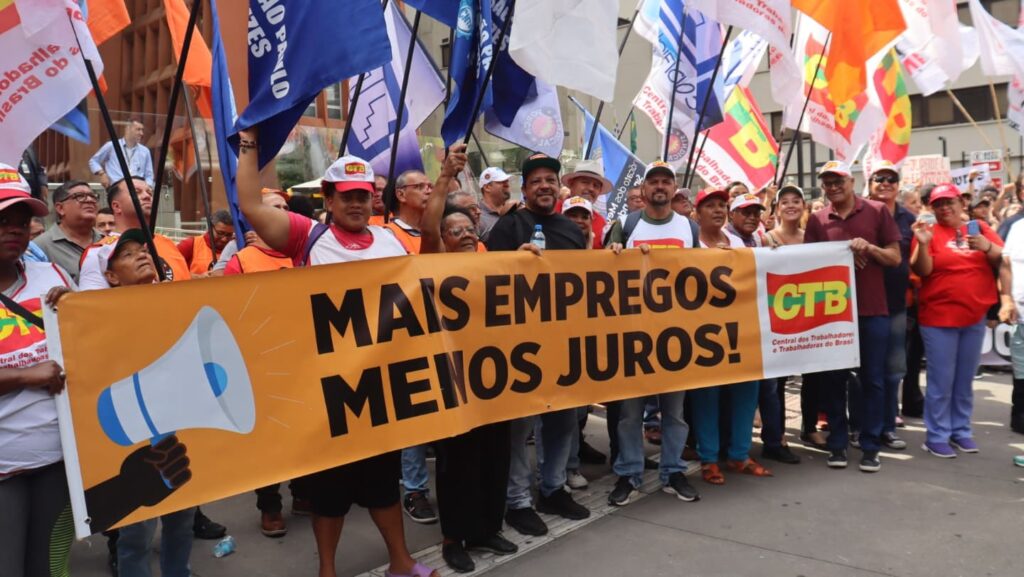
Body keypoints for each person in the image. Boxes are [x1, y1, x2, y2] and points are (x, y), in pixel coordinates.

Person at [235, 127, 437, 577]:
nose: (355, 204)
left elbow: (435, 265)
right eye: (346, 196)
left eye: (363, 196)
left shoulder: (391, 242)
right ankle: (327, 570)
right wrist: (249, 145)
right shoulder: (307, 237)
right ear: (328, 199)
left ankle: (401, 563)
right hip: (327, 394)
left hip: (378, 390)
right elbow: (250, 206)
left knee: (383, 485)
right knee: (330, 493)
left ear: (374, 200)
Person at [417, 145, 519, 573]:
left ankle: (486, 528)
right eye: (453, 230)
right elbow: (428, 228)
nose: (464, 234)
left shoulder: (493, 263)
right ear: (441, 241)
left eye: (468, 228)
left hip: (496, 379)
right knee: (458, 462)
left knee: (496, 456)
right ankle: (453, 537)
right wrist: (443, 180)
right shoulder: (433, 264)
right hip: (452, 381)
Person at [487, 153, 590, 536]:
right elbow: (488, 278)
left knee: (562, 421)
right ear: (525, 189)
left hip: (562, 344)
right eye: (536, 181)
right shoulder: (507, 227)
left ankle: (553, 488)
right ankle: (517, 501)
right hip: (520, 347)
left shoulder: (570, 229)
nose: (545, 185)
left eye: (551, 179)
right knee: (519, 427)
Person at [96, 229, 198, 577]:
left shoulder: (175, 301)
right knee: (137, 532)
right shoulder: (96, 317)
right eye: (127, 255)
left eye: (143, 250)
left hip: (178, 429)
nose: (141, 255)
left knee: (182, 522)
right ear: (110, 276)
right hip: (134, 439)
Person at [604, 161, 701, 506]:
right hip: (634, 337)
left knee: (674, 413)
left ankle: (672, 470)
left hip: (676, 336)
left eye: (666, 181)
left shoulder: (690, 228)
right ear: (643, 189)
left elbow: (704, 277)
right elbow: (601, 274)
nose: (660, 186)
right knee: (630, 414)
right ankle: (628, 473)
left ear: (674, 188)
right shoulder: (625, 225)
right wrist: (611, 255)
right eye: (653, 181)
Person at [0, 165, 74, 577]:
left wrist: (79, 316)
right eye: (2, 220)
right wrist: (28, 377)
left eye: (22, 220)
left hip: (57, 460)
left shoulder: (50, 278)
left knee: (49, 568)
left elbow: (91, 352)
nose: (15, 229)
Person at [803, 161, 901, 473]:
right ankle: (837, 444)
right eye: (827, 183)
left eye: (838, 181)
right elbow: (806, 266)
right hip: (834, 317)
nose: (833, 187)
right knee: (834, 382)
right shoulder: (818, 219)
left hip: (873, 312)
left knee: (872, 380)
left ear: (851, 181)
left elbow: (895, 257)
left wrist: (869, 248)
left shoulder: (876, 211)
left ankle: (870, 445)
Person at [912, 183, 1003, 458]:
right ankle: (937, 435)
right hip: (939, 319)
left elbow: (1005, 259)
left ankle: (961, 430)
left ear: (961, 203)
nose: (945, 208)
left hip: (973, 317)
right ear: (932, 208)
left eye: (949, 202)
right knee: (941, 381)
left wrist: (987, 246)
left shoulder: (980, 228)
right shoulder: (927, 232)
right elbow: (922, 270)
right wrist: (924, 245)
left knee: (964, 381)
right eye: (938, 204)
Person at [867, 162, 914, 450]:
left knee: (893, 370)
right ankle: (861, 426)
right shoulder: (860, 215)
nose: (886, 183)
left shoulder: (910, 218)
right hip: (864, 304)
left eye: (891, 179)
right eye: (879, 179)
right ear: (869, 184)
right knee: (864, 372)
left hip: (896, 304)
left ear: (898, 185)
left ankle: (887, 426)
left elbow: (918, 260)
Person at [79, 178, 191, 289]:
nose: (147, 196)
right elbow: (93, 303)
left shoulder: (167, 243)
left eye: (149, 192)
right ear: (116, 206)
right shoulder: (98, 252)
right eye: (137, 192)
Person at [34, 181, 102, 282]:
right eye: (79, 196)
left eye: (93, 196)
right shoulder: (40, 247)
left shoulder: (107, 241)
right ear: (60, 208)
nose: (89, 200)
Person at [999, 215, 1024, 435]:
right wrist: (1006, 299)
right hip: (1021, 317)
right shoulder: (1017, 227)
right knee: (1021, 374)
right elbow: (1006, 265)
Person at [561, 160, 613, 248]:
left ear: (599, 191)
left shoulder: (602, 224)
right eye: (585, 182)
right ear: (571, 184)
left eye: (596, 185)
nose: (591, 188)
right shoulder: (550, 211)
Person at [88, 119, 155, 187]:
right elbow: (93, 161)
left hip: (137, 190)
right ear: (128, 129)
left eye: (142, 130)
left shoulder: (145, 151)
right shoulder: (112, 145)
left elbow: (149, 175)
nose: (141, 133)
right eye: (138, 129)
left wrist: (147, 187)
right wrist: (102, 174)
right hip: (115, 188)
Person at [177, 210, 234, 276]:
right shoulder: (190, 244)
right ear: (210, 228)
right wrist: (198, 277)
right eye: (220, 233)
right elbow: (170, 270)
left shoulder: (236, 247)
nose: (224, 239)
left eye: (229, 235)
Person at [477, 167, 513, 241]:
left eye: (507, 181)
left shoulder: (514, 210)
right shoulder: (477, 215)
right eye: (501, 181)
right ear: (487, 187)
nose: (507, 185)